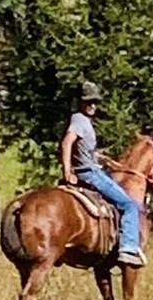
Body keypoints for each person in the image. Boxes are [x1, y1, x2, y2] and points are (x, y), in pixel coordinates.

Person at [59, 80, 146, 269]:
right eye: (88, 101)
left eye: (94, 102)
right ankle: (128, 247)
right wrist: (67, 170)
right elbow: (67, 143)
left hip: (92, 167)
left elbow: (81, 149)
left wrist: (101, 158)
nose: (92, 105)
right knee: (130, 205)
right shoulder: (79, 120)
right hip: (89, 173)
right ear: (81, 102)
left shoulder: (83, 121)